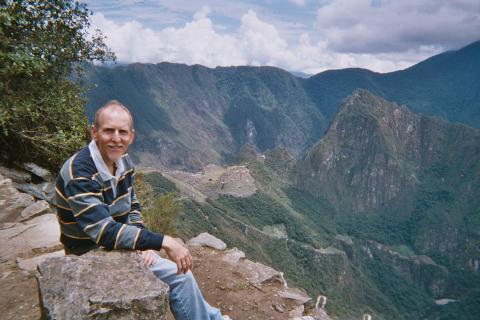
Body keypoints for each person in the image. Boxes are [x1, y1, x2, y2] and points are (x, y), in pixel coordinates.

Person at [55, 100, 229, 320]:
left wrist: (141, 244)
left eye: (122, 132)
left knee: (181, 274)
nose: (116, 138)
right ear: (94, 132)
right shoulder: (79, 173)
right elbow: (103, 232)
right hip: (89, 256)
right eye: (108, 130)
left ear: (132, 136)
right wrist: (163, 241)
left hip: (116, 248)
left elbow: (132, 206)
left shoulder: (123, 162)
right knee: (179, 276)